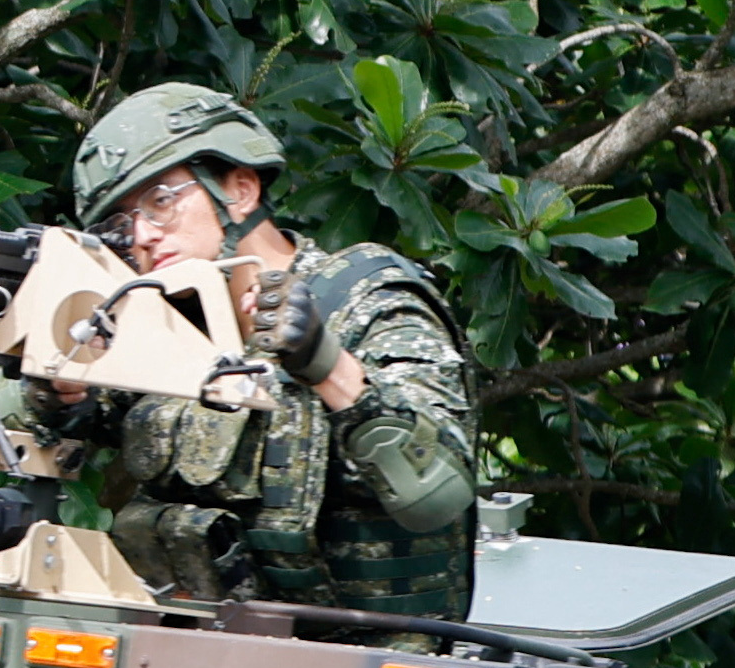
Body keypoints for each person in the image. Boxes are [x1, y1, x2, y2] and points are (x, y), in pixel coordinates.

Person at [44, 82, 481, 622]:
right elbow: (42, 433)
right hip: (200, 663)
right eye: (120, 224)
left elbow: (437, 492)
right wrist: (58, 393)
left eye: (160, 202)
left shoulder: (364, 298)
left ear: (241, 190)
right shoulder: (162, 328)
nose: (142, 236)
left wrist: (326, 363)